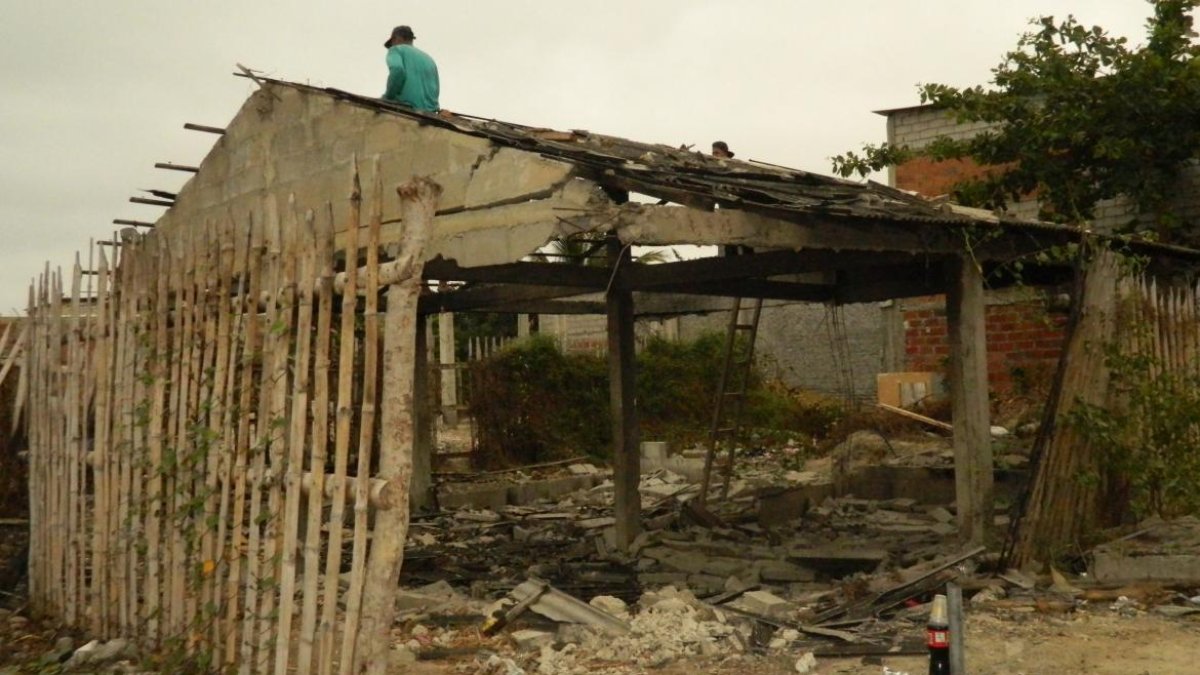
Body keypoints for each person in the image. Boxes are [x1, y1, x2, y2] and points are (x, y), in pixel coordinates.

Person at [382, 25, 440, 112]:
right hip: (429, 113)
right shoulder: (429, 59)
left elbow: (397, 70)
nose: (391, 46)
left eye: (392, 43)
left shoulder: (396, 50)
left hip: (407, 108)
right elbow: (436, 89)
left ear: (396, 38)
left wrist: (388, 97)